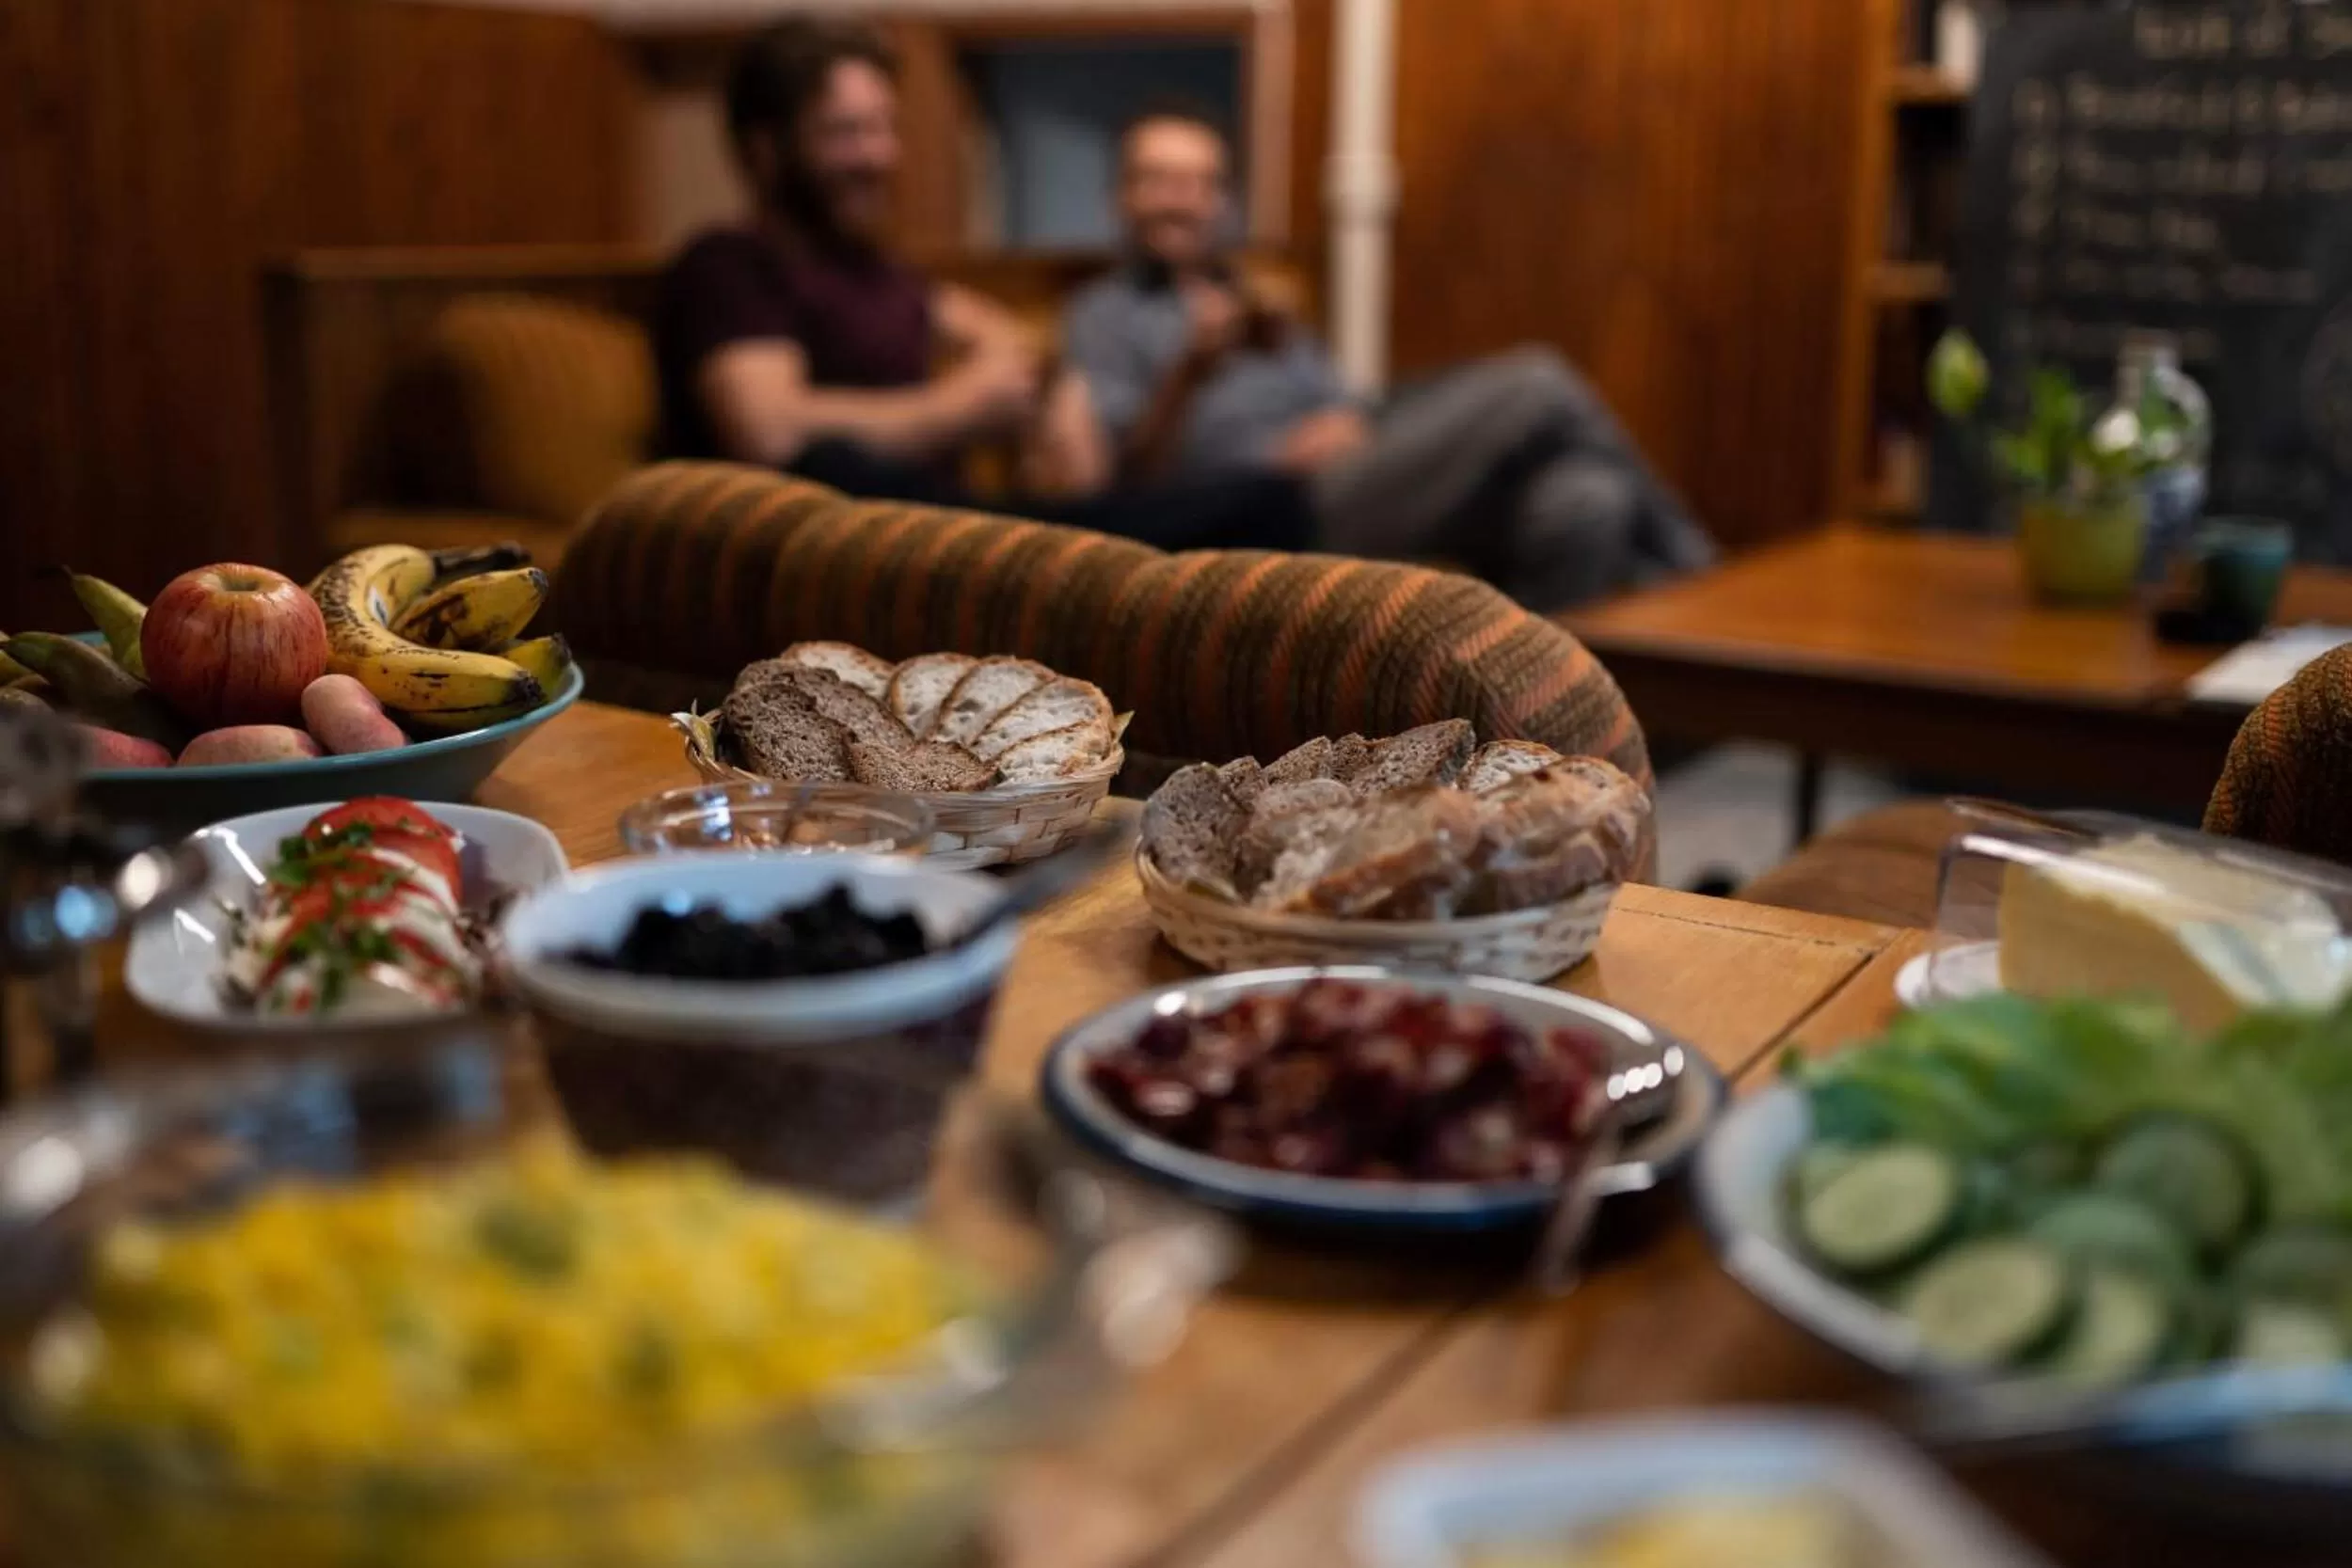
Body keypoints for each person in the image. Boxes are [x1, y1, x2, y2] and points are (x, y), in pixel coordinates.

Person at [655, 22, 1310, 552]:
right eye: (846, 132)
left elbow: (1004, 335)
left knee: (1267, 501)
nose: (880, 155)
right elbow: (769, 432)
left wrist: (1058, 388)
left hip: (953, 522)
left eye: (884, 127)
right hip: (848, 539)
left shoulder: (873, 271)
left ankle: (1059, 547)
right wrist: (957, 408)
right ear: (766, 148)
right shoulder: (729, 265)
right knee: (830, 460)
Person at [1061, 107, 1719, 609]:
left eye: (1201, 183)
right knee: (1537, 379)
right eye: (1161, 180)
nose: (1183, 198)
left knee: (1584, 499)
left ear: (1221, 201)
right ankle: (1704, 576)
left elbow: (1342, 396)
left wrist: (1342, 416)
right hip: (1276, 506)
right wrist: (1191, 371)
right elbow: (1130, 480)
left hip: (1362, 465)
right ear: (1122, 196)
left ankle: (1545, 733)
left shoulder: (1251, 298)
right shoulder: (1101, 313)